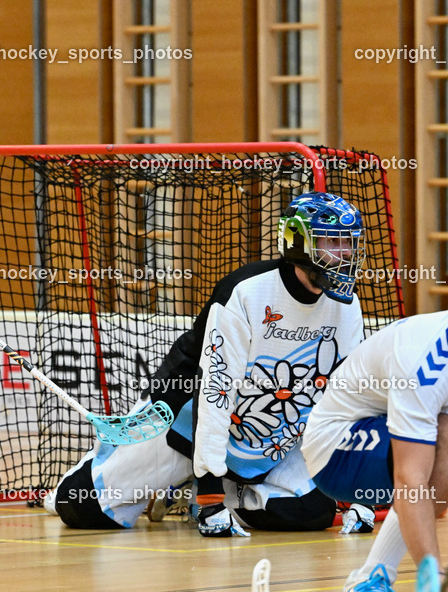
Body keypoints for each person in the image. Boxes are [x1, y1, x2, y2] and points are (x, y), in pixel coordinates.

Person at [45, 192, 371, 536]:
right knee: (83, 508)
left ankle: (190, 493)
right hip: (184, 422)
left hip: (264, 435)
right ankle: (126, 465)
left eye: (348, 244)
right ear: (298, 243)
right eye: (332, 243)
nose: (345, 254)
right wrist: (211, 498)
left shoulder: (347, 307)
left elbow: (348, 400)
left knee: (312, 512)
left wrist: (359, 492)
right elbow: (215, 392)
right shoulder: (246, 293)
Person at [302, 310, 448, 592]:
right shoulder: (424, 366)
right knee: (443, 443)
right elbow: (410, 479)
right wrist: (436, 581)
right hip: (333, 451)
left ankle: (371, 575)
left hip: (380, 430)